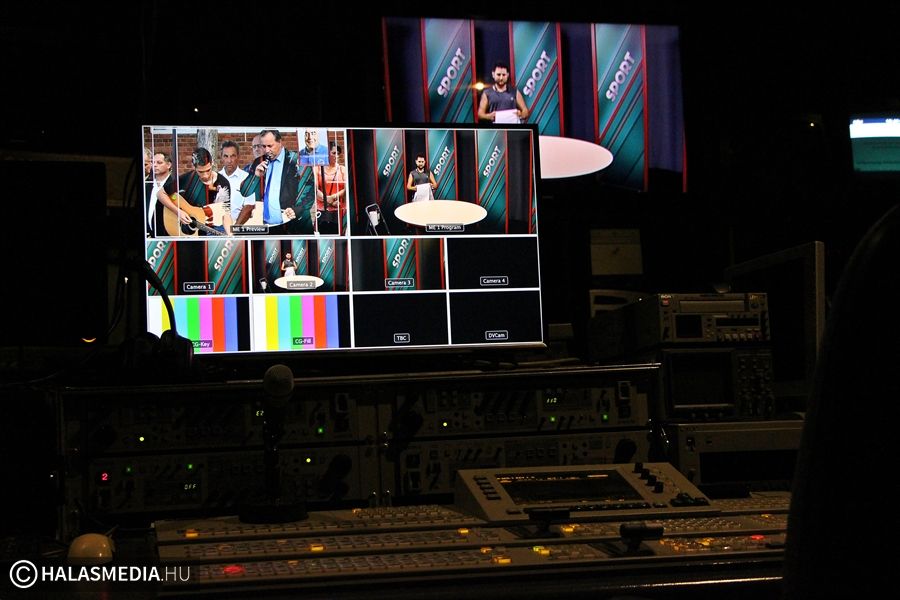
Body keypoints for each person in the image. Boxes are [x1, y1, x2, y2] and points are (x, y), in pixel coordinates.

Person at [239, 129, 313, 234]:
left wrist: (296, 210)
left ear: (280, 142)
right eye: (264, 146)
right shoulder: (259, 162)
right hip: (267, 228)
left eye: (270, 146)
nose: (266, 150)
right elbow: (245, 192)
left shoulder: (297, 160)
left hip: (293, 226)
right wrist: (255, 177)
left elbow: (310, 193)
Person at [159, 147, 232, 236]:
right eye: (201, 172)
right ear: (194, 167)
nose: (205, 175)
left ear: (212, 164)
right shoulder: (188, 178)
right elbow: (160, 193)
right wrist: (178, 211)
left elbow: (226, 214)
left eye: (208, 170)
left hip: (210, 231)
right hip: (185, 231)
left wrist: (230, 236)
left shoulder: (222, 184)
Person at [314, 143, 347, 234]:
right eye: (333, 153)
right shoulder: (318, 169)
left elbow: (346, 189)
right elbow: (315, 189)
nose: (336, 156)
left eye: (338, 153)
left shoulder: (342, 169)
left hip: (339, 210)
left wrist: (333, 197)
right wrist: (330, 201)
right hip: (322, 210)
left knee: (339, 235)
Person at [218, 140, 252, 224]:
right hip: (216, 226)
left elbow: (249, 206)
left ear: (238, 157)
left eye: (232, 156)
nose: (229, 160)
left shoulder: (247, 178)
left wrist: (235, 228)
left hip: (239, 225)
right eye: (226, 156)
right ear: (221, 157)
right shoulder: (215, 178)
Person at [146, 151, 173, 237]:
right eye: (153, 162)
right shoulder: (147, 185)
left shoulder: (174, 185)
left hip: (167, 235)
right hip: (148, 235)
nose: (155, 165)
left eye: (159, 162)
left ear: (168, 165)